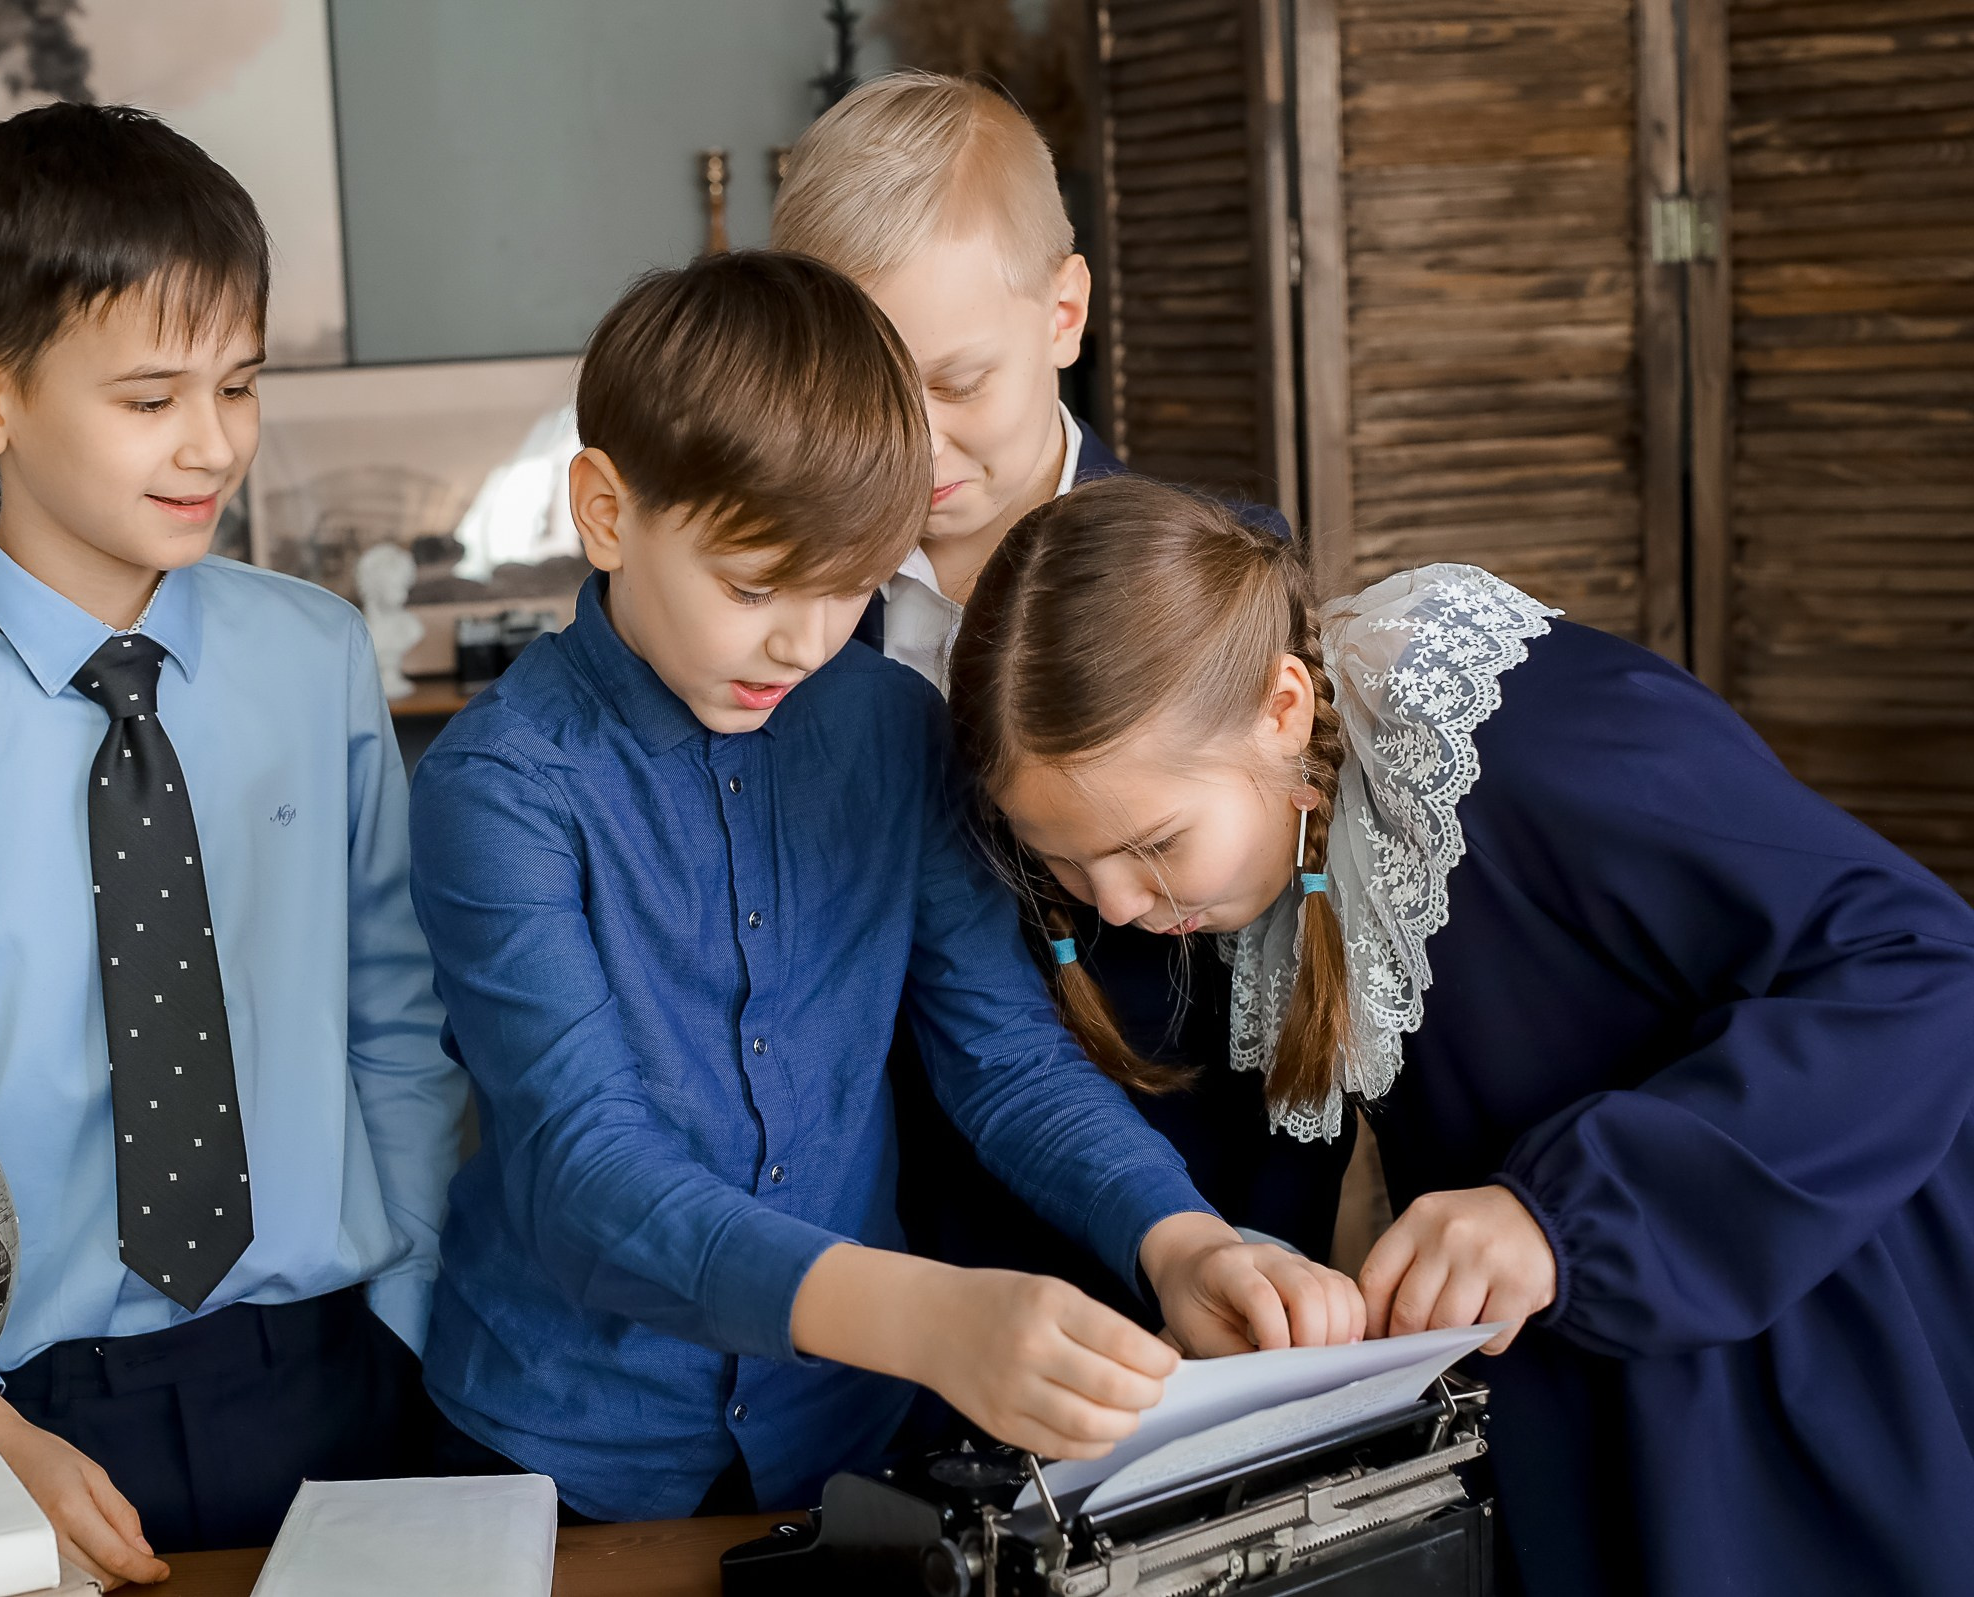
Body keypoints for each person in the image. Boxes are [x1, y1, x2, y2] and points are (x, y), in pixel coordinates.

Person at [409, 251, 1362, 1525]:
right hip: (564, 1444)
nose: (804, 641)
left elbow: (1002, 1054)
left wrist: (1178, 1237)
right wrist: (923, 1313)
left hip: (841, 1435)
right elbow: (589, 1172)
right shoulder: (500, 785)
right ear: (606, 510)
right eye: (754, 587)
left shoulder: (890, 726)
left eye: (851, 588)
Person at [947, 475, 1974, 1596]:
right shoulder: (1207, 853)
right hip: (1558, 1403)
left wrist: (1563, 1208)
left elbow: (1922, 966)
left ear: (1284, 707)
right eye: (1061, 861)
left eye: (1152, 847)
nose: (1117, 904)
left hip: (1789, 1335)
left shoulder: (1533, 742)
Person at [0, 104, 464, 1583]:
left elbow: (398, 1019)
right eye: (150, 396)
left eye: (240, 385)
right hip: (9, 1414)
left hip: (337, 1365)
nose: (213, 442)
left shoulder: (316, 659)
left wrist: (413, 1315)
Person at [771, 70, 1350, 1294]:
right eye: (866, 389)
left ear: (1064, 313)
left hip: (1219, 1227)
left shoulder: (1223, 569)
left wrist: (1260, 1250)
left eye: (958, 380)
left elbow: (1313, 965)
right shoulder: (786, 633)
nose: (917, 442)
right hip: (915, 1269)